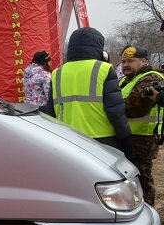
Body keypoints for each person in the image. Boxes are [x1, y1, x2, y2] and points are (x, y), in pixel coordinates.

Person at [43, 27, 132, 160]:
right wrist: (125, 138)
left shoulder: (57, 73)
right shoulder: (104, 69)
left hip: (68, 138)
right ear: (98, 46)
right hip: (102, 139)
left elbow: (51, 111)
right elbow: (115, 111)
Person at [118, 44, 164, 205]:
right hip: (129, 136)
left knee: (142, 178)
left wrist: (110, 106)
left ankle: (148, 211)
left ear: (143, 61)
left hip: (143, 138)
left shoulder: (151, 78)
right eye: (123, 61)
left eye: (130, 61)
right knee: (130, 179)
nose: (125, 65)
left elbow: (134, 107)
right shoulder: (126, 80)